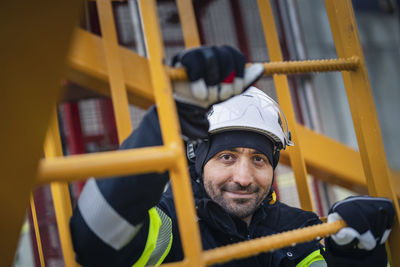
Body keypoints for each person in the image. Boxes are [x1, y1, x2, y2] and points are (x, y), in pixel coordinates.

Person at [70, 46, 395, 267]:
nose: (243, 177)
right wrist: (167, 121)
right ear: (197, 159)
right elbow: (93, 241)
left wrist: (355, 257)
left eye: (259, 159)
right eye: (227, 156)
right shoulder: (169, 226)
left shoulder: (298, 231)